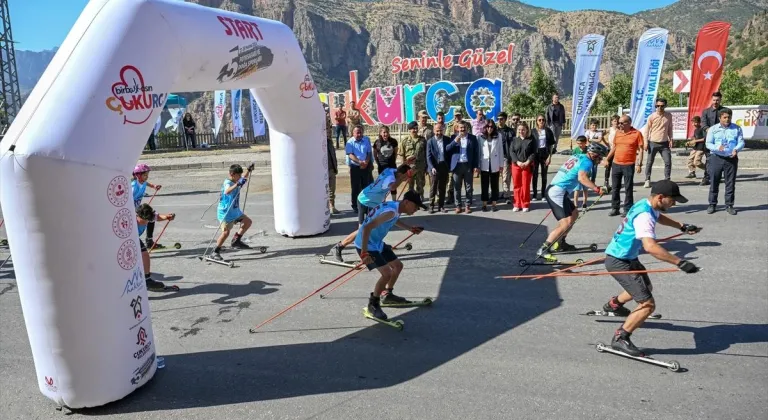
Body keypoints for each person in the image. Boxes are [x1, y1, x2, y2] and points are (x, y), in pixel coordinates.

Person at [599, 180, 700, 356]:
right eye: (673, 200)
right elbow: (651, 247)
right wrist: (680, 262)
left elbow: (659, 216)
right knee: (647, 304)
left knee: (646, 288)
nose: (674, 203)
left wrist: (681, 226)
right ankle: (620, 337)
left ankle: (614, 305)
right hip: (619, 260)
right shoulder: (644, 216)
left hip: (626, 257)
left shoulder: (646, 204)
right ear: (661, 197)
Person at [356, 190, 427, 320]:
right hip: (366, 244)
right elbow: (366, 228)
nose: (416, 209)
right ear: (406, 202)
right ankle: (373, 304)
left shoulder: (395, 208)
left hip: (376, 242)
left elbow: (393, 220)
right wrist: (364, 253)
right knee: (386, 273)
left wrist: (410, 228)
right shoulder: (390, 211)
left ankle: (387, 295)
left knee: (398, 266)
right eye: (415, 206)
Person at [537, 143, 609, 260]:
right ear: (594, 155)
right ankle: (543, 249)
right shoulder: (587, 162)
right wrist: (597, 189)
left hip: (558, 190)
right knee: (565, 223)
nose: (600, 159)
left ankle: (560, 243)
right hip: (557, 192)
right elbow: (582, 178)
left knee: (574, 214)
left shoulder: (579, 156)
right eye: (600, 157)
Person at [328, 164, 413, 262]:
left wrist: (406, 164)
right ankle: (339, 247)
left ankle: (373, 247)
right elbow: (393, 187)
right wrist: (402, 177)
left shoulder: (391, 170)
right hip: (367, 202)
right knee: (363, 230)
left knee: (374, 225)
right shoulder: (390, 179)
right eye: (405, 178)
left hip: (373, 202)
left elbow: (399, 170)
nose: (405, 180)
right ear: (400, 174)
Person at [211, 164, 255, 261]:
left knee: (248, 222)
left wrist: (248, 170)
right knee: (226, 232)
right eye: (238, 175)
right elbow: (227, 191)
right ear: (232, 174)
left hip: (235, 211)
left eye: (240, 175)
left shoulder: (236, 180)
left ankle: (236, 240)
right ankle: (215, 252)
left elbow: (243, 177)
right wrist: (237, 184)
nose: (240, 177)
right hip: (225, 212)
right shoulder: (228, 182)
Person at [705, 109, 744, 215]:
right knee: (714, 181)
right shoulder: (713, 129)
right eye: (725, 117)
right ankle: (712, 204)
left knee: (730, 183)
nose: (727, 119)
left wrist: (736, 149)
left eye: (729, 117)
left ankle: (729, 205)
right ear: (720, 118)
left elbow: (741, 141)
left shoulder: (737, 128)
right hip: (716, 157)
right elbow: (708, 144)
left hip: (731, 158)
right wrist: (718, 147)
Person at [607, 115, 645, 217]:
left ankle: (627, 209)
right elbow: (614, 147)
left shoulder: (636, 134)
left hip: (628, 164)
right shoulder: (618, 133)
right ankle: (615, 208)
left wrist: (639, 164)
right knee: (615, 187)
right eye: (618, 123)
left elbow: (641, 150)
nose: (619, 125)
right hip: (616, 164)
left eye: (621, 123)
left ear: (628, 123)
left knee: (628, 187)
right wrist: (607, 159)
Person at [136, 204, 177, 292]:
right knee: (143, 254)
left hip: (135, 238)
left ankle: (147, 279)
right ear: (138, 216)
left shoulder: (148, 216)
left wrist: (167, 217)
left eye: (148, 220)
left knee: (145, 254)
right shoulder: (131, 221)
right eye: (144, 220)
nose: (146, 222)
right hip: (129, 238)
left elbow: (157, 217)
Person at [447, 121, 479, 213]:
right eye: (460, 128)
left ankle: (468, 205)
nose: (462, 129)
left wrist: (476, 166)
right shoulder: (453, 137)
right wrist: (455, 141)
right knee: (457, 187)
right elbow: (448, 149)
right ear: (457, 128)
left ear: (467, 128)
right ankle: (458, 205)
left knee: (469, 187)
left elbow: (476, 153)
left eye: (464, 127)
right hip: (457, 165)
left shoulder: (472, 138)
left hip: (468, 165)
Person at [700, 91, 731, 187]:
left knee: (724, 158)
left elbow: (728, 123)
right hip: (709, 140)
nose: (715, 102)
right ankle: (706, 178)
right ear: (711, 100)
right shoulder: (705, 111)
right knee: (709, 159)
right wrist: (711, 131)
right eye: (714, 100)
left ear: (720, 100)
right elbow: (703, 124)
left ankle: (723, 177)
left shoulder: (725, 110)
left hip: (723, 140)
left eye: (717, 100)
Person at [643, 98, 673, 188]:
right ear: (655, 106)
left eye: (662, 106)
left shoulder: (669, 116)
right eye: (658, 106)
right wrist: (645, 142)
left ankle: (667, 179)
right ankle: (647, 180)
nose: (659, 107)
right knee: (649, 162)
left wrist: (671, 139)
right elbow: (646, 130)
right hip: (653, 142)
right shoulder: (652, 116)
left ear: (665, 106)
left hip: (664, 143)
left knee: (668, 161)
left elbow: (670, 128)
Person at [131, 164, 163, 249]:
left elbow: (146, 183)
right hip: (131, 209)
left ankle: (149, 241)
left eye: (147, 175)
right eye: (145, 175)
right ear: (138, 175)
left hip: (136, 207)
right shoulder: (133, 187)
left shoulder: (143, 182)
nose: (147, 177)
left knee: (150, 216)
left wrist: (154, 186)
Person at [510, 122, 536, 212]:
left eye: (523, 130)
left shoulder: (531, 140)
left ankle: (525, 204)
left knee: (525, 185)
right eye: (519, 130)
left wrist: (527, 162)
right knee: (517, 185)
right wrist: (517, 162)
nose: (521, 131)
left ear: (527, 130)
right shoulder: (514, 140)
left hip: (527, 165)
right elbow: (512, 152)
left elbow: (533, 153)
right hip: (516, 165)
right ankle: (517, 203)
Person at [346, 125, 373, 213]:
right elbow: (350, 154)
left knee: (366, 186)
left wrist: (366, 162)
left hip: (366, 166)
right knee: (355, 187)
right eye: (357, 132)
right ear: (353, 133)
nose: (359, 134)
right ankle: (355, 205)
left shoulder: (366, 140)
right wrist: (359, 162)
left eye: (360, 132)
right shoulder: (350, 142)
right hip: (355, 167)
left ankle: (366, 205)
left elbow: (369, 152)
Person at [478, 119, 504, 212]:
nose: (490, 128)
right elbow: (479, 152)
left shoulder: (498, 136)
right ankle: (484, 204)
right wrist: (478, 166)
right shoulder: (480, 137)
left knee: (494, 185)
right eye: (488, 126)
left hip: (495, 163)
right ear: (485, 127)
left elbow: (501, 150)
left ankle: (494, 204)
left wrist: (501, 165)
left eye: (491, 127)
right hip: (484, 163)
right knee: (484, 185)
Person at [399, 121, 428, 199]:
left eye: (416, 128)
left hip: (420, 167)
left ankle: (420, 200)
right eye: (413, 129)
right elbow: (402, 155)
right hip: (410, 168)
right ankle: (411, 201)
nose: (415, 130)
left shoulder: (423, 140)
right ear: (409, 130)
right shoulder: (404, 141)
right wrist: (404, 168)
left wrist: (426, 167)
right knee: (410, 185)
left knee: (420, 185)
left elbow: (426, 154)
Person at [427, 123, 451, 213]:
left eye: (440, 130)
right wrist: (432, 167)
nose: (439, 132)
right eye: (437, 131)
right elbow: (428, 157)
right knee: (433, 187)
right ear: (434, 131)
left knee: (442, 187)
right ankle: (431, 205)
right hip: (434, 167)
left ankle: (441, 206)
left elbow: (449, 154)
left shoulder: (447, 140)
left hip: (443, 166)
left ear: (443, 130)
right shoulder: (430, 141)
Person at [531, 114, 556, 201]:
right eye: (540, 120)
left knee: (544, 175)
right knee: (534, 175)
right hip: (535, 154)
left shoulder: (548, 131)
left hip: (545, 154)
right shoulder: (533, 131)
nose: (541, 121)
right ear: (536, 122)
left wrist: (550, 156)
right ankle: (534, 194)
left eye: (543, 120)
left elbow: (552, 145)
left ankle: (543, 194)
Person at [497, 112, 516, 202]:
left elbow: (513, 145)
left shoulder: (510, 131)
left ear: (505, 120)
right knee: (496, 177)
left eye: (501, 119)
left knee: (505, 177)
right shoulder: (494, 130)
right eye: (498, 119)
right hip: (495, 157)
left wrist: (511, 156)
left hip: (505, 156)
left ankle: (506, 195)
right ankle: (497, 194)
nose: (500, 121)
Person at [325, 106, 340, 214]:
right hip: (322, 170)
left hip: (331, 168)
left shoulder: (329, 143)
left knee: (332, 189)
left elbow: (333, 155)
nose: (329, 130)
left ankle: (332, 206)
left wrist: (335, 167)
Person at [571, 136, 590, 210]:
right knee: (577, 189)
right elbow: (572, 160)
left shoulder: (588, 150)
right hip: (577, 173)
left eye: (581, 143)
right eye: (578, 143)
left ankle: (584, 203)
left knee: (585, 189)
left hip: (586, 173)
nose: (580, 145)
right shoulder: (575, 150)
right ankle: (575, 205)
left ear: (585, 143)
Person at [685, 116, 706, 180]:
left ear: (699, 122)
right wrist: (690, 141)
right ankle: (692, 172)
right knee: (690, 160)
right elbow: (695, 137)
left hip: (701, 147)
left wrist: (695, 140)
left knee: (697, 162)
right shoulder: (695, 130)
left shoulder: (702, 129)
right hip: (695, 147)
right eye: (693, 123)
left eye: (696, 122)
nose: (694, 124)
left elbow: (704, 138)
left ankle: (708, 170)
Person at [604, 115, 620, 191]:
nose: (616, 122)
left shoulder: (620, 129)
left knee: (616, 166)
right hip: (610, 149)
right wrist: (605, 143)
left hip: (617, 150)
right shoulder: (609, 129)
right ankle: (606, 181)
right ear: (611, 122)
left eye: (617, 121)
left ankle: (615, 181)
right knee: (608, 165)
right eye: (614, 121)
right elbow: (601, 135)